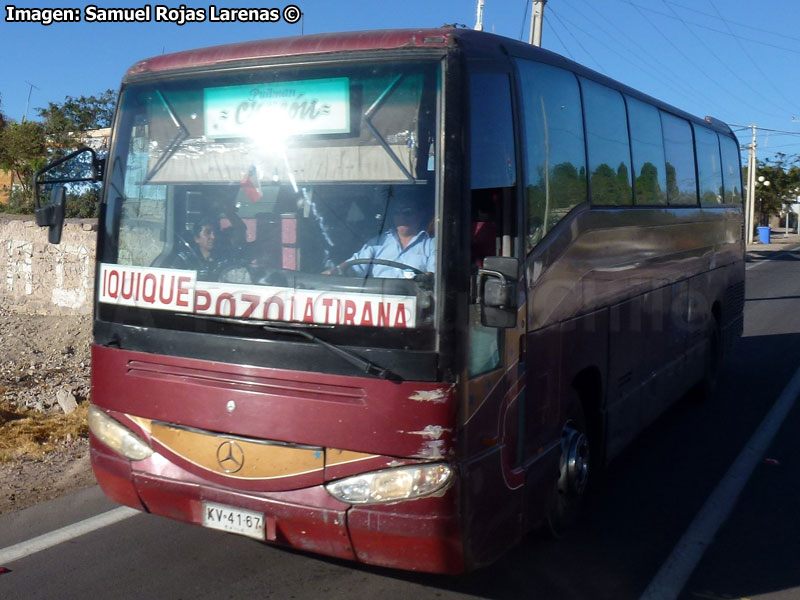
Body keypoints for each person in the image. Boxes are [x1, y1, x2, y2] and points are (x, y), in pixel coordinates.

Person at [330, 195, 435, 278]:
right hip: (377, 300)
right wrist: (336, 271)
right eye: (396, 213)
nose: (401, 217)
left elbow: (433, 277)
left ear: (421, 214)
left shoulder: (431, 245)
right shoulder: (378, 242)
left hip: (414, 301)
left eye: (407, 212)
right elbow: (354, 267)